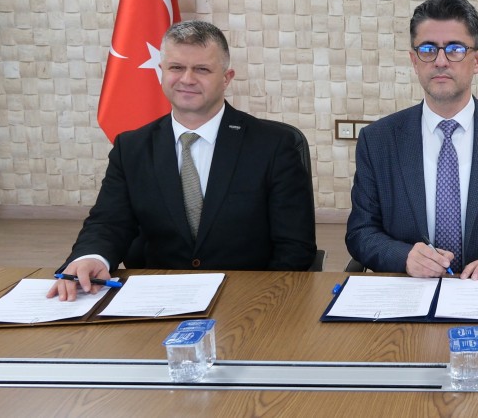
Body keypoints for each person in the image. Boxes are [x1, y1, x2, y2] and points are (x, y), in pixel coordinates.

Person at [48, 21, 317, 301]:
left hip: (246, 297)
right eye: (176, 67)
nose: (187, 79)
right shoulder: (132, 147)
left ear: (226, 78)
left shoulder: (273, 145)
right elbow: (108, 222)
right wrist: (92, 257)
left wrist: (261, 301)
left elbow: (294, 246)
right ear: (162, 72)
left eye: (202, 69)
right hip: (156, 296)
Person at [345, 0, 478, 279]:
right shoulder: (378, 141)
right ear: (414, 61)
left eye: (455, 49)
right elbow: (361, 231)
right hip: (411, 290)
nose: (440, 61)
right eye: (427, 49)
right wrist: (404, 257)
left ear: (477, 61)